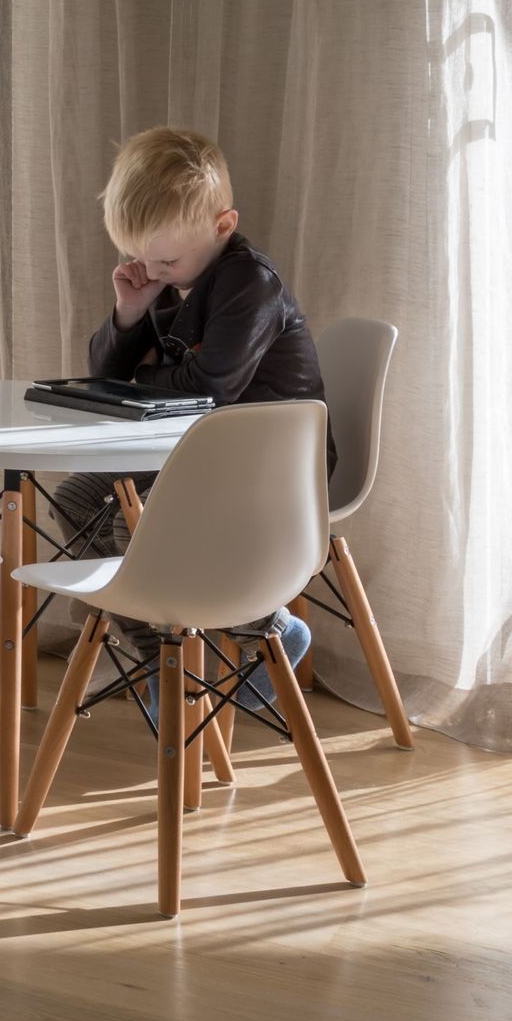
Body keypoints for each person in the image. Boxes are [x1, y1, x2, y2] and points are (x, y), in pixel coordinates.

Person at [48, 126, 318, 707]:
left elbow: (211, 387)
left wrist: (142, 377)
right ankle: (157, 655)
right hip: (191, 454)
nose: (153, 269)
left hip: (268, 464)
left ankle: (266, 628)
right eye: (140, 257)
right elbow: (105, 373)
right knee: (73, 499)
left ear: (222, 226)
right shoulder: (170, 278)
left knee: (133, 522)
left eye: (165, 258)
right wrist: (130, 312)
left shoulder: (250, 284)